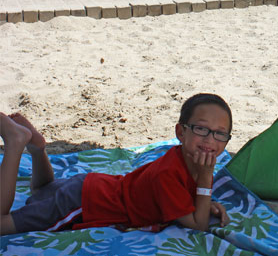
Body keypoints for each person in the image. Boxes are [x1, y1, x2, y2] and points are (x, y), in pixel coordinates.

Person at [0, 93, 231, 235]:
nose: (210, 140)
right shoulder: (171, 172)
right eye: (201, 129)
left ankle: (37, 148)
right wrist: (205, 181)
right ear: (181, 132)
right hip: (83, 204)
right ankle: (15, 142)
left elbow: (181, 199)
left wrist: (202, 201)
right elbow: (198, 226)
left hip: (88, 187)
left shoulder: (181, 158)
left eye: (220, 133)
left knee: (40, 191)